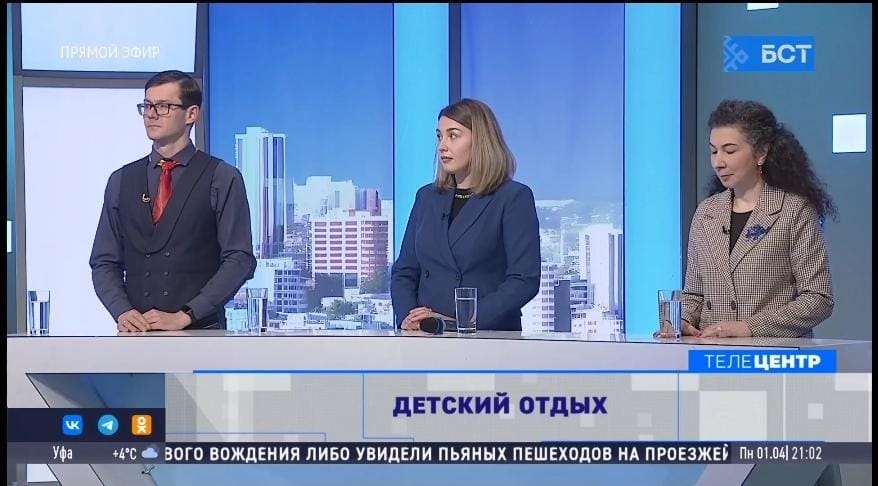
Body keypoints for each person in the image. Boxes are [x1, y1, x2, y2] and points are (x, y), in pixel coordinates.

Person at [90, 70, 256, 332]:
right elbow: (104, 261)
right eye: (147, 106)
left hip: (201, 333)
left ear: (191, 114)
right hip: (136, 334)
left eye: (163, 106)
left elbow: (239, 259)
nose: (151, 114)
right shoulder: (121, 180)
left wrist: (186, 315)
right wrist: (121, 310)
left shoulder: (222, 177)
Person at [681, 99, 835, 338]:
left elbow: (818, 298)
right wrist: (680, 321)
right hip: (712, 354)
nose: (718, 162)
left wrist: (749, 327)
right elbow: (694, 294)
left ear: (761, 153)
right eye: (713, 151)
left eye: (729, 151)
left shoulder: (794, 211)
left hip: (771, 354)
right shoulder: (706, 213)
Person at [391, 98, 541, 332]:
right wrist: (409, 319)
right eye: (439, 136)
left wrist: (459, 321)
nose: (442, 146)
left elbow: (523, 280)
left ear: (480, 141)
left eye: (453, 135)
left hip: (487, 337)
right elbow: (404, 271)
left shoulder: (512, 197)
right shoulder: (426, 197)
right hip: (426, 335)